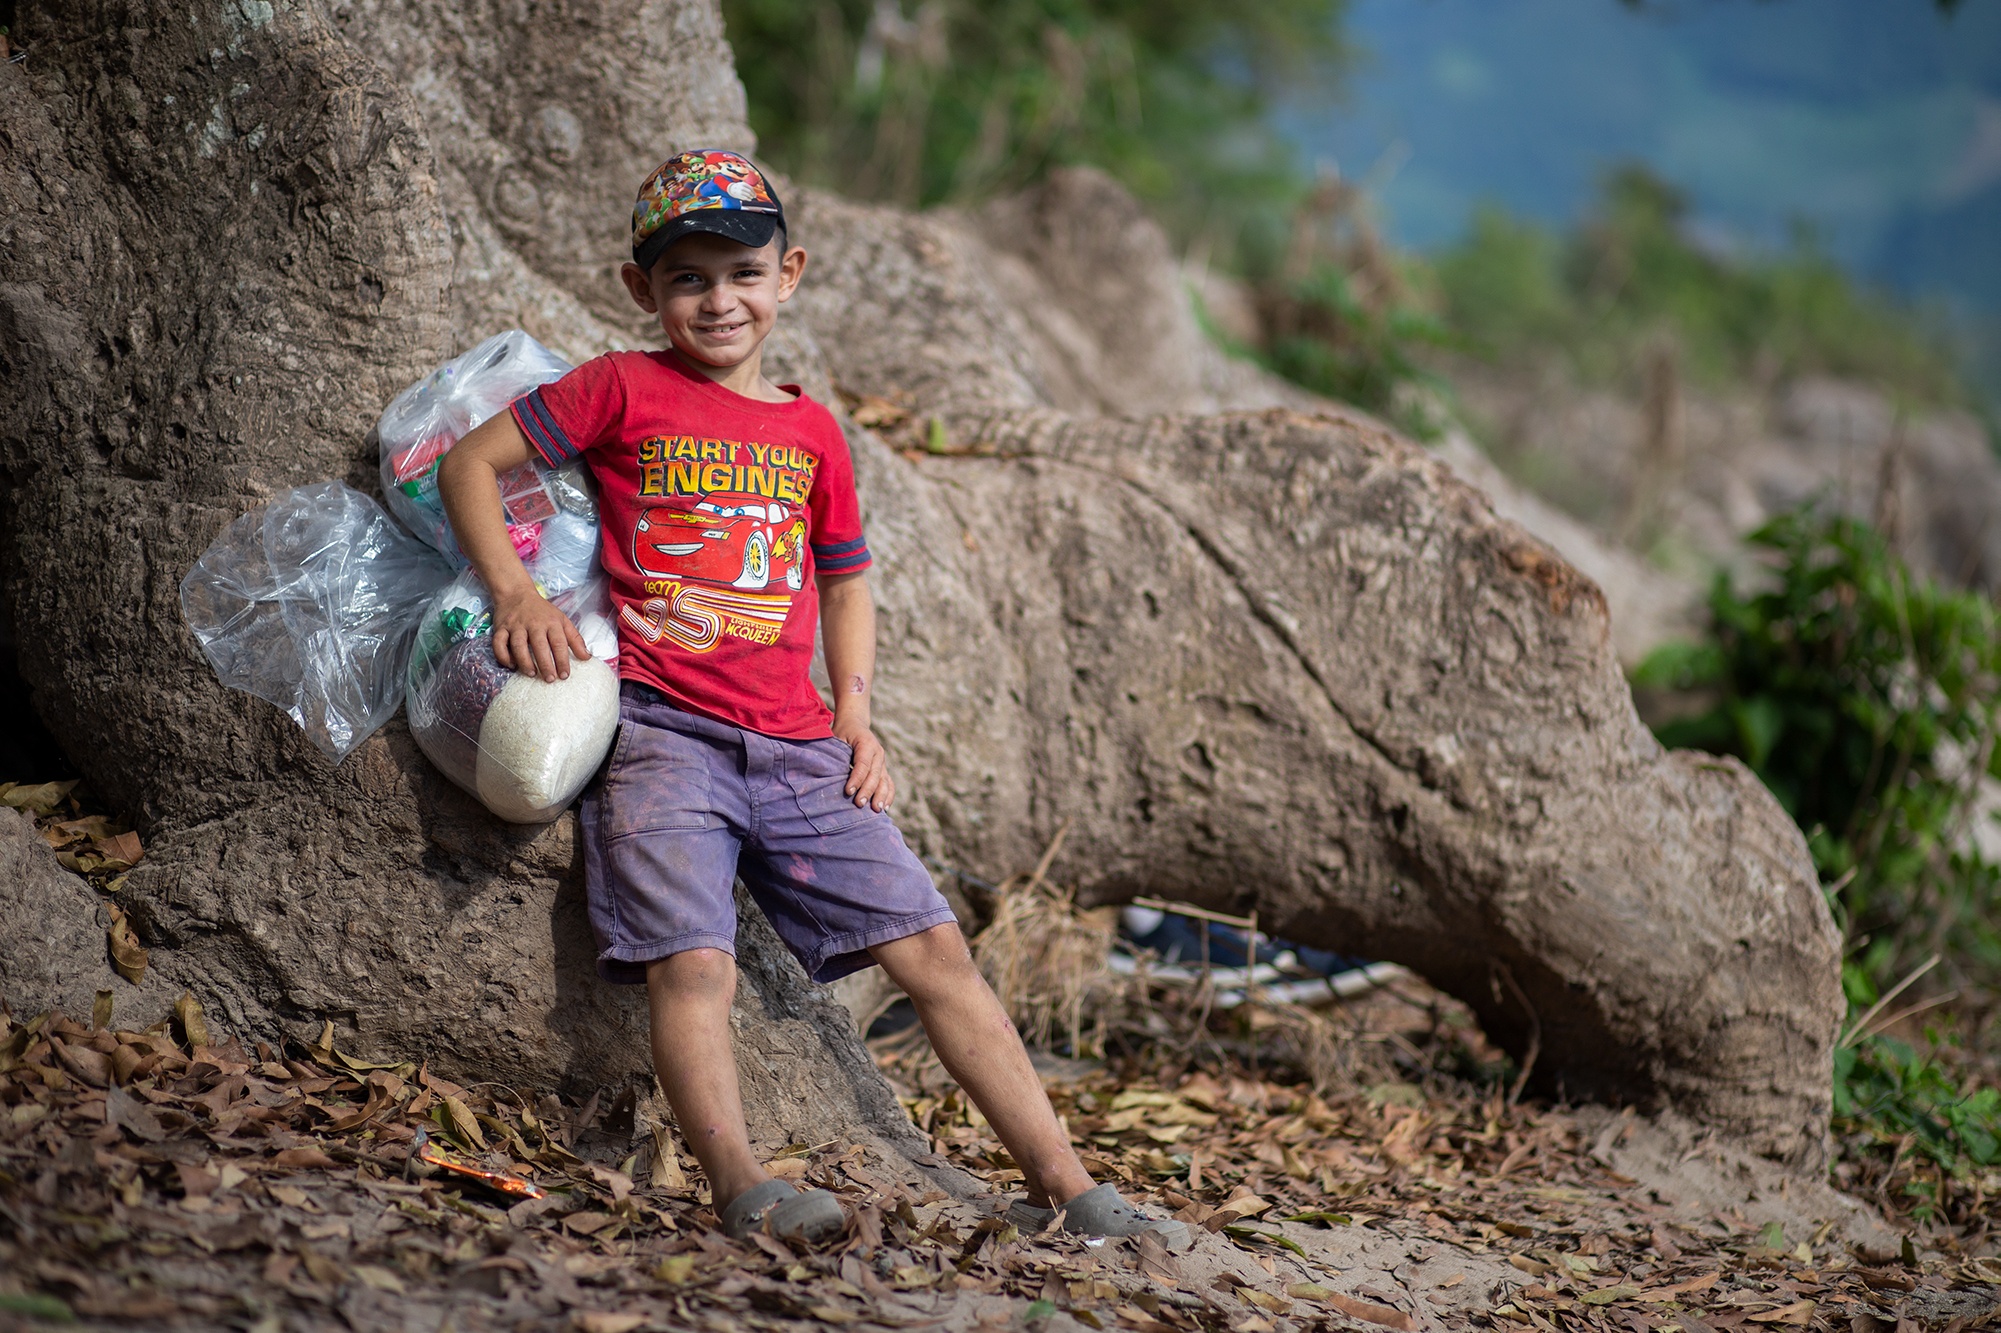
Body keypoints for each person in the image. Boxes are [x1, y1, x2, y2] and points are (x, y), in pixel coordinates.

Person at [438, 150, 1188, 1249]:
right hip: (664, 741)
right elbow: (470, 462)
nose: (718, 300)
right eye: (686, 279)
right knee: (693, 963)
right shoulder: (619, 388)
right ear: (643, 291)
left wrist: (856, 712)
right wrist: (511, 590)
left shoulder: (811, 431)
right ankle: (741, 1183)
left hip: (800, 751)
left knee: (936, 951)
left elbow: (845, 575)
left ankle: (1070, 1187)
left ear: (788, 275)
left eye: (741, 272)